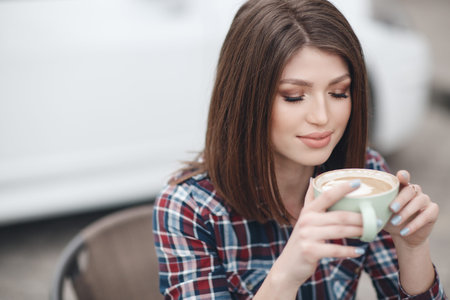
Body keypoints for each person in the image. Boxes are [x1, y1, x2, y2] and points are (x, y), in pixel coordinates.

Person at [152, 0, 447, 299]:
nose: (322, 116)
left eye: (338, 92)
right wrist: (285, 276)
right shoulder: (188, 207)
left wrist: (412, 248)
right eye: (294, 96)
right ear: (245, 98)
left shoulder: (362, 174)